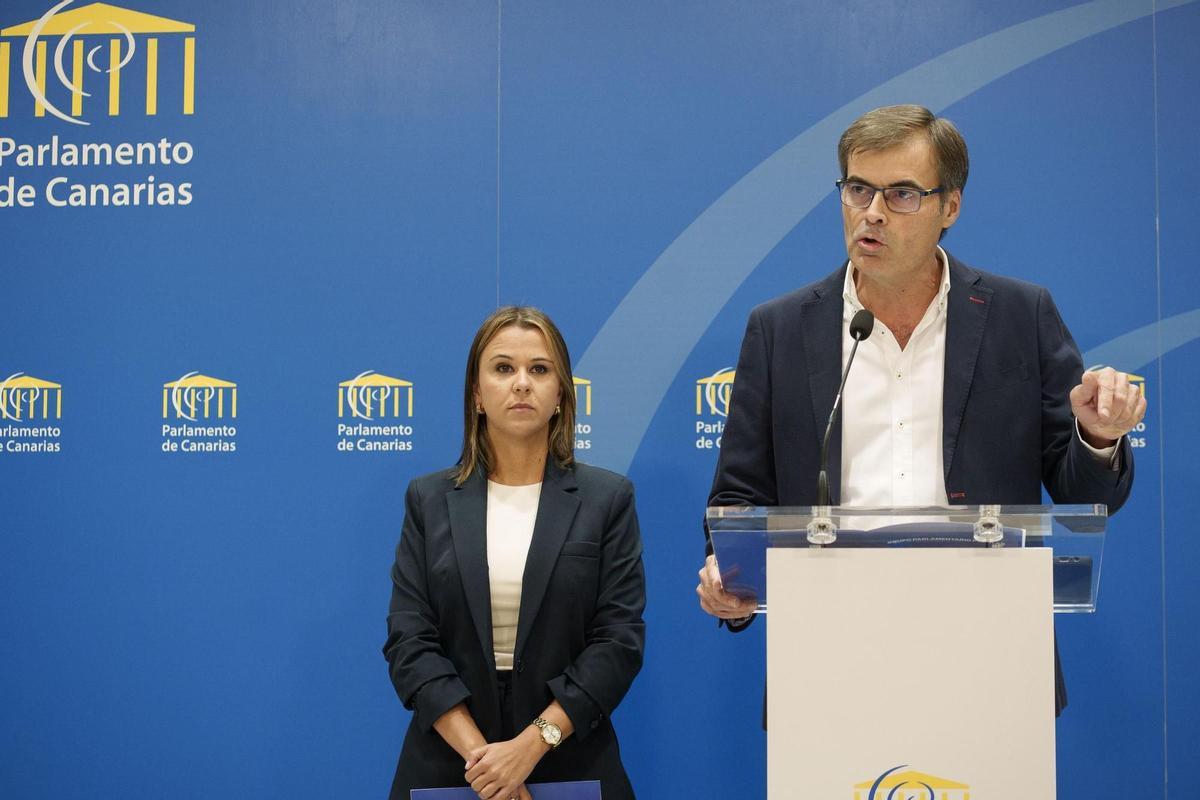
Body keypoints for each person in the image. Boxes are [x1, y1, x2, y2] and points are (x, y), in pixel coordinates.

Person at [695, 104, 1145, 712]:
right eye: (858, 189)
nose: (872, 213)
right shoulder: (780, 329)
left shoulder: (1021, 315)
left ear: (950, 207)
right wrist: (729, 576)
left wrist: (1096, 438)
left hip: (990, 648)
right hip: (828, 652)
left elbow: (1083, 494)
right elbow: (740, 492)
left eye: (902, 193)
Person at [384, 306, 645, 800]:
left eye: (539, 369)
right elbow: (409, 642)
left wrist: (528, 748)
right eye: (503, 368)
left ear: (561, 395)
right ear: (477, 395)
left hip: (569, 758)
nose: (521, 383)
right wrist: (487, 764)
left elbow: (617, 643)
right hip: (452, 765)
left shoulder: (607, 500)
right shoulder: (428, 500)